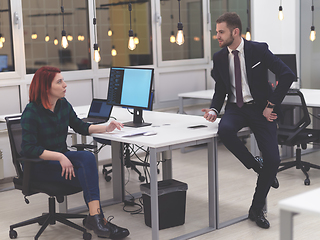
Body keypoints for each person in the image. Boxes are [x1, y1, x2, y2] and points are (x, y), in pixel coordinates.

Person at [202, 12, 295, 229]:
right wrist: (215, 110)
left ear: (235, 31)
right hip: (236, 108)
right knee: (224, 131)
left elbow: (287, 74)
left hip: (261, 108)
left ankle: (256, 209)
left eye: (221, 32)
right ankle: (256, 165)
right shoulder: (219, 57)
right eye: (216, 32)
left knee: (273, 160)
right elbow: (221, 89)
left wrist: (271, 105)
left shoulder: (258, 50)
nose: (217, 36)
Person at [21, 66, 130, 239]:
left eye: (63, 80)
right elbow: (29, 148)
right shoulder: (31, 112)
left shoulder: (63, 105)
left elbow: (81, 126)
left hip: (60, 161)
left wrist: (106, 127)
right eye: (59, 81)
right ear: (46, 88)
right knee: (87, 170)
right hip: (41, 166)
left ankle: (95, 217)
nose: (65, 85)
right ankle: (98, 220)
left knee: (86, 158)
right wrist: (60, 156)